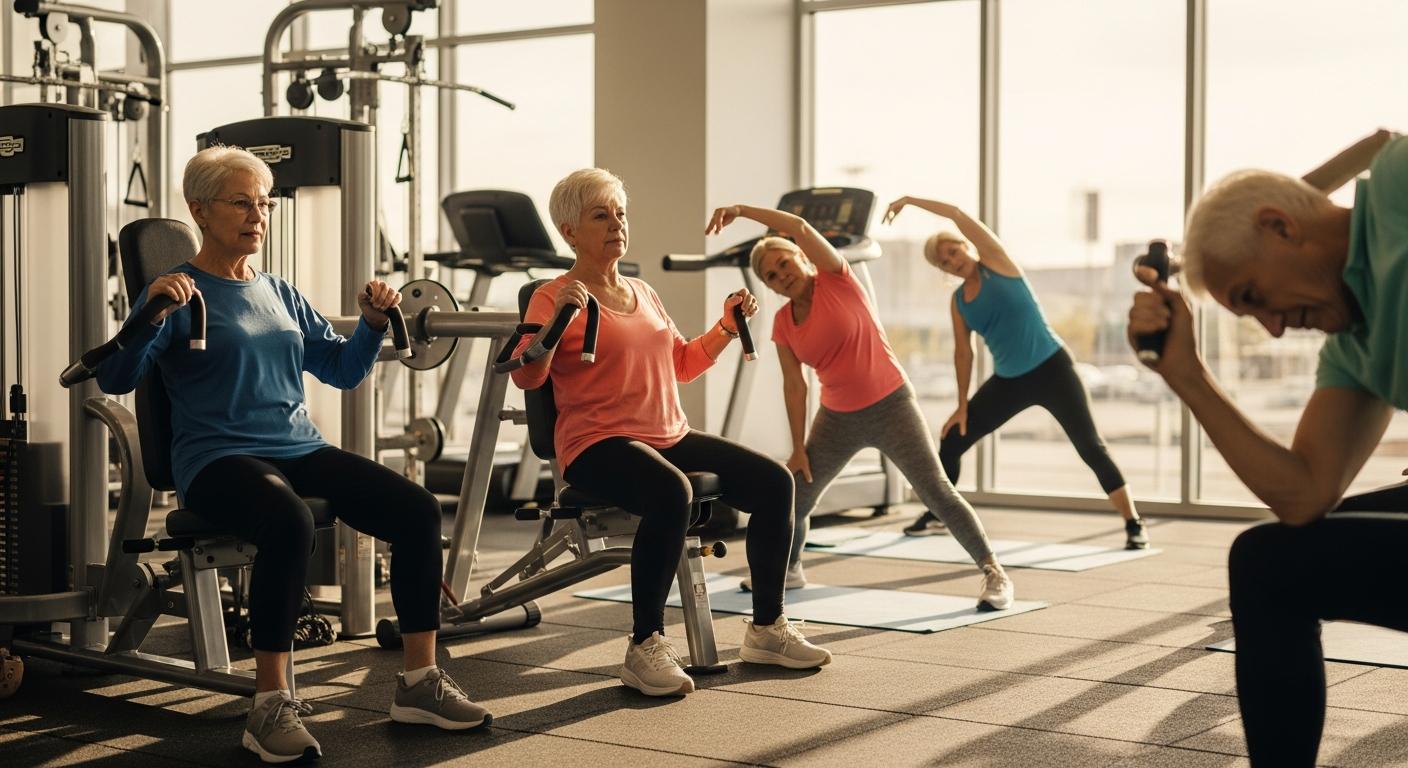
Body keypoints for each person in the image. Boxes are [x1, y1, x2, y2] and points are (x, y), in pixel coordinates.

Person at [97, 146, 489, 764]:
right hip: (216, 460)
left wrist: (369, 324)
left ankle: (419, 683)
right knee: (289, 520)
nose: (258, 214)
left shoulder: (278, 290)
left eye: (264, 203)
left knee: (415, 509)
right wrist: (150, 315)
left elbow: (340, 369)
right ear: (198, 209)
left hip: (296, 447)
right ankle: (269, 704)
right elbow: (117, 377)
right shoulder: (176, 293)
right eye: (241, 202)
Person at [1127, 128, 1402, 768]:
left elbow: (1387, 144)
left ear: (1280, 226)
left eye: (1253, 298)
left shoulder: (1400, 185)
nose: (1274, 328)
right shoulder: (1354, 344)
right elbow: (1302, 494)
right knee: (1269, 563)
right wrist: (1186, 377)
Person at [511, 169, 832, 698]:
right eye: (601, 215)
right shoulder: (553, 296)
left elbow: (681, 364)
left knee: (776, 483)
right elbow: (527, 375)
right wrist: (555, 325)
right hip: (596, 443)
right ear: (569, 232)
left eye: (620, 213)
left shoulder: (643, 291)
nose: (617, 224)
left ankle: (768, 629)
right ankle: (644, 647)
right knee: (671, 492)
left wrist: (726, 327)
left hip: (667, 434)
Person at [710, 203, 1014, 610]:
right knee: (793, 495)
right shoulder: (783, 322)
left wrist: (742, 211)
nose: (782, 275)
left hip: (893, 405)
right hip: (837, 418)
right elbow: (794, 386)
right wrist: (798, 447)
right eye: (772, 276)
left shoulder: (839, 279)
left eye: (785, 263)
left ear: (801, 257)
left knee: (936, 491)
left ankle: (994, 572)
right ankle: (791, 567)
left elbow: (800, 225)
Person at [884, 196, 1149, 550]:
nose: (953, 261)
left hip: (1053, 368)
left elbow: (959, 215)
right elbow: (964, 353)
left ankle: (1133, 522)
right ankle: (938, 515)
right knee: (952, 438)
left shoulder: (998, 262)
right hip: (1010, 380)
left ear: (966, 246)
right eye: (944, 261)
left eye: (953, 251)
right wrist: (962, 405)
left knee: (1090, 446)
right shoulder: (959, 301)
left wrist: (909, 202)